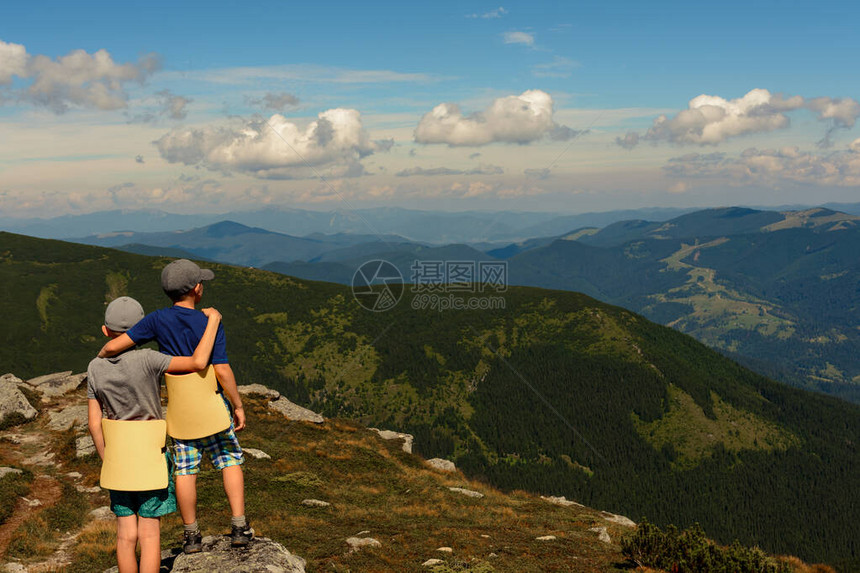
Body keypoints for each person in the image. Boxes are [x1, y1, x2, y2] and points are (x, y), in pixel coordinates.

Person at [98, 259, 252, 554]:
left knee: (185, 470)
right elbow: (221, 370)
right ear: (197, 289)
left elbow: (114, 347)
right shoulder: (209, 322)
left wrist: (101, 356)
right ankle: (239, 526)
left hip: (180, 413)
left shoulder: (156, 320)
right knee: (230, 461)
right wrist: (238, 404)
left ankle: (191, 535)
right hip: (211, 408)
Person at [87, 296, 222, 573]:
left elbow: (94, 423)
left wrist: (106, 458)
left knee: (126, 535)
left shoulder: (94, 367)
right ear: (142, 329)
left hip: (119, 461)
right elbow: (198, 362)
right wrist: (214, 322)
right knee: (150, 535)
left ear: (105, 331)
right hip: (150, 457)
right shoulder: (150, 359)